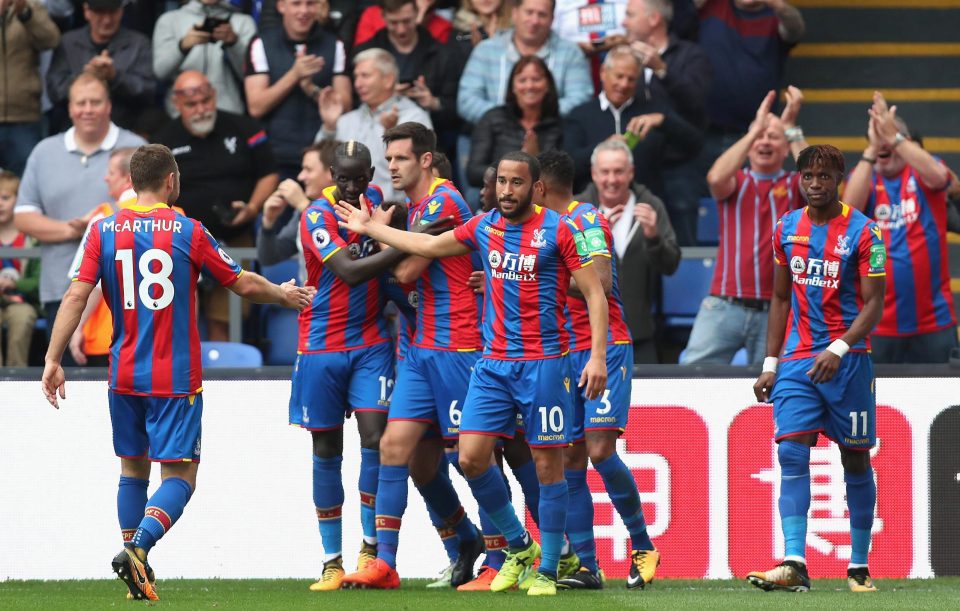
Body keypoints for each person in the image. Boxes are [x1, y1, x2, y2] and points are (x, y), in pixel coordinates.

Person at [41, 143, 314, 601]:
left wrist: (52, 359)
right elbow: (240, 282)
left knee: (132, 470)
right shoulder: (188, 230)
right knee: (181, 478)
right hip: (174, 378)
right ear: (171, 181)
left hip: (122, 373)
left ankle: (136, 571)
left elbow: (75, 296)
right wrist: (283, 296)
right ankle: (139, 551)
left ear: (130, 182)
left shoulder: (103, 230)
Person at [335, 151, 610, 596]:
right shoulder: (485, 226)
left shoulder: (557, 230)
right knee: (470, 457)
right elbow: (427, 246)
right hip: (493, 364)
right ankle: (520, 546)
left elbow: (596, 294)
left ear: (535, 187)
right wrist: (371, 229)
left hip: (544, 364)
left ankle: (549, 569)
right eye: (501, 181)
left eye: (516, 183)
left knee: (547, 466)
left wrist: (596, 357)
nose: (505, 191)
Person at [339, 122, 485, 590]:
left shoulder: (445, 202)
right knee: (400, 453)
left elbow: (403, 271)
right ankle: (390, 561)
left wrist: (377, 230)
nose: (393, 167)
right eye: (390, 159)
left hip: (459, 345)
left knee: (475, 457)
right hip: (419, 349)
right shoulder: (416, 208)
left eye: (401, 158)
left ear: (425, 159)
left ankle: (512, 554)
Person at [750, 144, 885, 594]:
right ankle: (794, 562)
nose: (814, 184)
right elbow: (781, 298)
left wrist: (841, 347)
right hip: (797, 360)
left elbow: (874, 304)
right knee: (791, 452)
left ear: (840, 179)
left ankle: (859, 565)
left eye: (823, 177)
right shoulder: (787, 228)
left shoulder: (866, 233)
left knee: (855, 459)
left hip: (848, 363)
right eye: (807, 176)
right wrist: (770, 363)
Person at [289, 140, 423, 591]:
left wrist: (393, 232)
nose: (350, 185)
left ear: (371, 174)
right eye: (342, 177)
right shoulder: (317, 216)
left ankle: (370, 551)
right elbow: (348, 270)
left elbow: (390, 277)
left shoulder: (377, 212)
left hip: (370, 345)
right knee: (326, 452)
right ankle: (331, 560)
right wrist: (406, 242)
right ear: (331, 173)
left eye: (359, 177)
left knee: (375, 440)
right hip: (321, 348)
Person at [534, 150, 659, 589]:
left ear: (540, 187)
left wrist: (536, 275)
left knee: (601, 451)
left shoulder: (585, 219)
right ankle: (589, 566)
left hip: (603, 347)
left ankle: (642, 545)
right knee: (571, 457)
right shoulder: (540, 228)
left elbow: (601, 282)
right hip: (562, 352)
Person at [14, 74, 146, 349]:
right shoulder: (44, 151)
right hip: (60, 289)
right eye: (80, 102)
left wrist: (94, 228)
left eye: (95, 102)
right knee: (66, 383)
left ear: (108, 105)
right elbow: (23, 216)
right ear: (69, 107)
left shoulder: (137, 148)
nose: (87, 109)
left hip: (128, 292)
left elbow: (158, 206)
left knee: (124, 383)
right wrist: (73, 230)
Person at [681, 88, 805, 365]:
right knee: (692, 375)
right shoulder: (736, 180)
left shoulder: (794, 185)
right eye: (759, 136)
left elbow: (817, 179)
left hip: (777, 307)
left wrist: (792, 129)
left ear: (785, 148)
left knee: (776, 386)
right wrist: (754, 130)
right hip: (725, 303)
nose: (764, 142)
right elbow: (714, 178)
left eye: (773, 137)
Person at [153, 71, 280, 341]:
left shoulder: (244, 127)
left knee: (225, 320)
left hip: (234, 240)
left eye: (205, 101)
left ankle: (221, 378)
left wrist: (253, 207)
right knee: (179, 320)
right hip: (180, 242)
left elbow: (269, 172)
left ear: (214, 96)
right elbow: (152, 190)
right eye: (191, 104)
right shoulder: (163, 139)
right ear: (177, 104)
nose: (200, 109)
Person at [842, 92, 957, 363]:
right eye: (877, 137)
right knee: (878, 403)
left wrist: (894, 136)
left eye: (889, 138)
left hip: (934, 322)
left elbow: (941, 177)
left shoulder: (924, 172)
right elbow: (848, 213)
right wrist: (872, 149)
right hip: (876, 322)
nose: (884, 144)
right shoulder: (865, 178)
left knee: (947, 405)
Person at [576, 139, 679, 363]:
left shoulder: (652, 206)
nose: (611, 180)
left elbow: (670, 265)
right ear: (593, 174)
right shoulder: (577, 210)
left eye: (619, 172)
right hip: (586, 335)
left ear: (631, 173)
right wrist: (599, 241)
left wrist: (653, 237)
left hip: (639, 333)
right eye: (605, 172)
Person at [622, 0, 712, 245]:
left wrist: (662, 69)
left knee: (683, 244)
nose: (623, 22)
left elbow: (695, 101)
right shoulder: (626, 57)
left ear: (653, 19)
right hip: (639, 169)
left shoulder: (691, 55)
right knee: (638, 245)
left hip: (680, 167)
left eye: (630, 15)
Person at [563, 44, 701, 199]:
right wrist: (601, 149)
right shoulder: (580, 115)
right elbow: (568, 166)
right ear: (603, 73)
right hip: (593, 213)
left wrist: (664, 121)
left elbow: (695, 144)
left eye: (631, 79)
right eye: (619, 76)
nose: (624, 84)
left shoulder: (653, 111)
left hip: (645, 207)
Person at [244, 0, 352, 179]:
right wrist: (294, 75)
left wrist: (311, 89)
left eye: (310, 4)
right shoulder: (260, 43)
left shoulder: (336, 44)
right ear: (281, 6)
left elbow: (345, 105)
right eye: (296, 3)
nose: (304, 10)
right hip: (276, 157)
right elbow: (256, 106)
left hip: (323, 157)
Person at [316, 48, 433, 200]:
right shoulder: (346, 120)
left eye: (365, 76)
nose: (357, 84)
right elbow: (318, 166)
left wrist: (392, 133)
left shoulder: (414, 118)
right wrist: (329, 128)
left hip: (397, 214)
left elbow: (420, 173)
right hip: (347, 212)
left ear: (388, 80)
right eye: (356, 77)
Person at [695, 0, 804, 162]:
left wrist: (777, 4)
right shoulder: (712, 6)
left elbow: (796, 30)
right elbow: (680, 9)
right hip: (701, 132)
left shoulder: (775, 15)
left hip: (754, 136)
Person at [351, 0, 462, 158]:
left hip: (431, 141)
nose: (401, 29)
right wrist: (382, 93)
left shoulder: (442, 55)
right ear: (382, 16)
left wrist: (434, 103)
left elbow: (456, 110)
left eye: (406, 21)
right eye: (394, 23)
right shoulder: (366, 52)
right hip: (372, 141)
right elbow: (353, 98)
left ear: (417, 14)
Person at [457, 0, 593, 127]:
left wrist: (536, 117)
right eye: (529, 12)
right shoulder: (486, 50)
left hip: (553, 136)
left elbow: (580, 99)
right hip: (494, 135)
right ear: (515, 13)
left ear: (552, 19)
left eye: (542, 15)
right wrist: (508, 118)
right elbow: (466, 101)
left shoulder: (571, 53)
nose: (534, 21)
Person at [66, 147, 140, 367]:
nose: (105, 178)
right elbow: (190, 289)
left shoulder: (104, 218)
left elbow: (89, 286)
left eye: (111, 172)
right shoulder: (178, 217)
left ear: (128, 179)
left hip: (108, 340)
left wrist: (76, 329)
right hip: (163, 343)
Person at [46, 0, 155, 132]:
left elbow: (148, 91)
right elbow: (55, 92)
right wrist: (85, 77)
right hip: (73, 129)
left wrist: (115, 76)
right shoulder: (67, 42)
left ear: (121, 12)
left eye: (112, 12)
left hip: (126, 127)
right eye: (100, 12)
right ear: (87, 11)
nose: (107, 20)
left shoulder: (138, 43)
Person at [467, 55, 563, 187]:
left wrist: (536, 160)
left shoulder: (560, 125)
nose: (529, 86)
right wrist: (513, 170)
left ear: (548, 85)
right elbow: (473, 172)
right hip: (497, 199)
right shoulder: (492, 118)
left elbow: (565, 178)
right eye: (522, 80)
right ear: (513, 87)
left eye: (536, 79)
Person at [152, 0, 259, 117]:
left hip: (229, 113)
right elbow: (160, 72)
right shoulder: (169, 20)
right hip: (181, 115)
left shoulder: (243, 22)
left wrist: (234, 43)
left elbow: (252, 78)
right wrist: (182, 47)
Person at [0, 0, 60, 177]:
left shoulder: (30, 6)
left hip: (24, 117)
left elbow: (52, 39)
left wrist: (25, 13)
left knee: (29, 179)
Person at [258, 139, 339, 267]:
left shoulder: (350, 206)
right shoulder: (307, 208)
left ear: (332, 173)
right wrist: (268, 221)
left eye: (308, 170)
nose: (301, 177)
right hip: (309, 287)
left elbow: (339, 263)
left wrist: (303, 205)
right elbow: (270, 258)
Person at [0, 170, 39, 367]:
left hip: (23, 303)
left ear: (17, 200)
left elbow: (39, 282)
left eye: (5, 198)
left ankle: (15, 379)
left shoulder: (31, 238)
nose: (0, 203)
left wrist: (15, 283)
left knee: (22, 317)